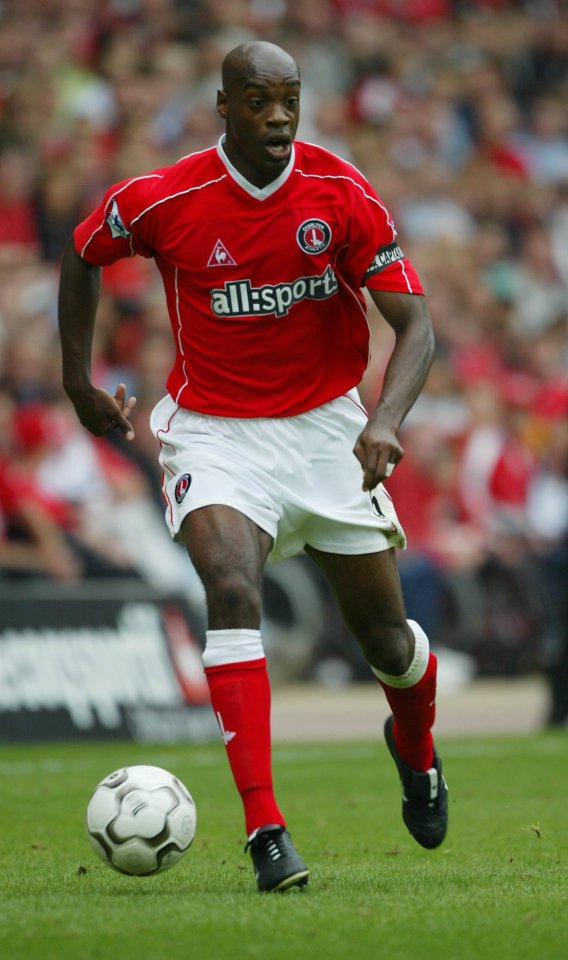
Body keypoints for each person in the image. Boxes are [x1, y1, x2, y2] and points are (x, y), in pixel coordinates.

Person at [58, 40, 447, 892]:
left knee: (388, 642)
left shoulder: (340, 193)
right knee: (232, 585)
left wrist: (384, 420)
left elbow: (416, 326)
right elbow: (83, 253)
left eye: (290, 100)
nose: (279, 117)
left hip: (326, 431)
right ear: (224, 107)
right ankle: (266, 829)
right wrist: (77, 380)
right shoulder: (164, 198)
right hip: (216, 432)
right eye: (260, 101)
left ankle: (416, 750)